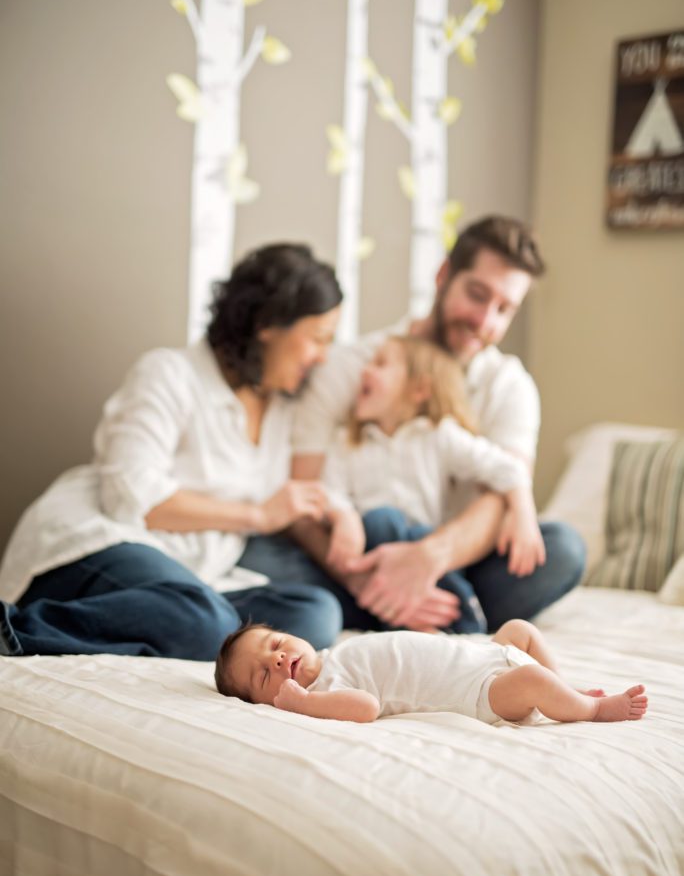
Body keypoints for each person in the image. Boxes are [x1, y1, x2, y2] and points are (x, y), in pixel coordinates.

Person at [0, 244, 344, 660]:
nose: (323, 357)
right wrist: (257, 516)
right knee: (208, 623)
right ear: (268, 324)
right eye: (318, 339)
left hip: (193, 578)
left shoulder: (284, 409)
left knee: (316, 614)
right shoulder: (169, 373)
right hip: (102, 541)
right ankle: (15, 629)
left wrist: (338, 511)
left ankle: (180, 622)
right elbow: (131, 496)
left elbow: (296, 496)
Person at [273, 214, 586, 633]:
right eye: (477, 295)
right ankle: (411, 609)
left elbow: (503, 497)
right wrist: (361, 577)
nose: (486, 322)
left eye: (504, 309)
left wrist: (426, 559)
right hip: (354, 561)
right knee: (262, 554)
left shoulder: (508, 386)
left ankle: (433, 608)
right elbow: (305, 497)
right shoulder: (354, 368)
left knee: (562, 549)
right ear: (444, 275)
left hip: (458, 564)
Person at [321, 335, 545, 633]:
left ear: (419, 389)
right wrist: (343, 517)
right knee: (380, 519)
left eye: (380, 365)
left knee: (421, 534)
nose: (365, 371)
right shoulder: (346, 442)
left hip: (426, 555)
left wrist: (523, 514)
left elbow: (506, 468)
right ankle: (430, 621)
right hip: (373, 555)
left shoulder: (440, 435)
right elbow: (329, 492)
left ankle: (452, 619)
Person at [214, 618, 649, 725]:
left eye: (274, 644)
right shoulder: (326, 688)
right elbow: (366, 708)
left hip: (484, 655)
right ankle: (591, 709)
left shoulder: (332, 654)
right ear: (269, 701)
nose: (274, 660)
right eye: (262, 676)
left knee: (521, 630)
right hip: (482, 690)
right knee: (532, 681)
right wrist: (304, 704)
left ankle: (565, 688)